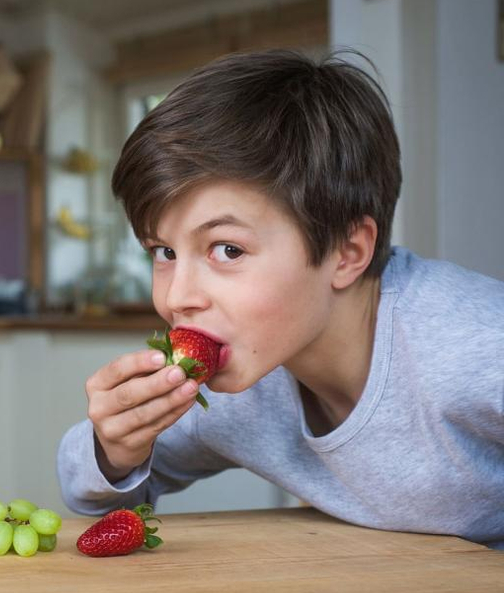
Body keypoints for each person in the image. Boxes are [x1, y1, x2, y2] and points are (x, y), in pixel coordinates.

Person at [56, 49, 504, 549]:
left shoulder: (477, 348)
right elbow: (98, 504)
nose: (177, 297)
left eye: (227, 249)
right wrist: (115, 449)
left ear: (347, 252)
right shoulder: (239, 391)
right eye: (163, 251)